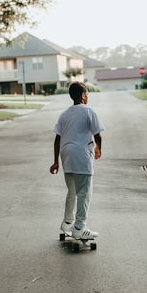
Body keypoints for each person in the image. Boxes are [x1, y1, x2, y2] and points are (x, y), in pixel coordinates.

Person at [49, 82, 105, 240]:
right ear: (82, 95)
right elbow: (97, 134)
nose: (87, 97)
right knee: (84, 193)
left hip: (66, 157)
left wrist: (55, 162)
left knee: (72, 191)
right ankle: (80, 227)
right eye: (86, 94)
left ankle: (67, 222)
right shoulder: (89, 111)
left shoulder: (64, 114)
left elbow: (57, 140)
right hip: (81, 156)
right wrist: (98, 148)